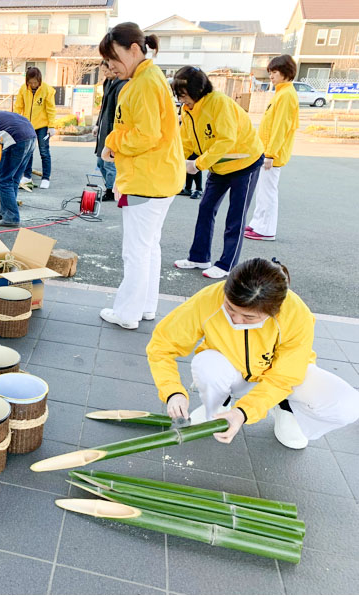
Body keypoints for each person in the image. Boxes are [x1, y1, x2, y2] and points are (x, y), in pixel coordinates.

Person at [147, 258, 359, 449]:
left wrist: (244, 412)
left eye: (249, 317)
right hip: (234, 371)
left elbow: (284, 377)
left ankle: (287, 408)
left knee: (348, 405)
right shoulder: (209, 298)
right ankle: (218, 404)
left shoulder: (296, 313)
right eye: (230, 308)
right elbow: (162, 345)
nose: (236, 320)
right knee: (206, 363)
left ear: (274, 311)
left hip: (284, 382)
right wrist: (172, 391)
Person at [97, 22, 185, 330]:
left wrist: (112, 143)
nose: (110, 67)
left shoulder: (144, 83)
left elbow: (145, 134)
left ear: (134, 50)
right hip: (160, 178)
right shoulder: (149, 77)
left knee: (135, 251)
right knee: (148, 247)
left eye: (113, 59)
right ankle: (145, 306)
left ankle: (128, 312)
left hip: (146, 180)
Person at [172, 66, 264, 279]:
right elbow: (186, 141)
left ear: (197, 90)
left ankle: (227, 264)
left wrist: (198, 164)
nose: (181, 99)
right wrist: (176, 161)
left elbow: (226, 140)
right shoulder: (188, 110)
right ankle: (199, 257)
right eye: (179, 95)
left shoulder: (219, 103)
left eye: (183, 94)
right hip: (219, 164)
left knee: (235, 216)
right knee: (206, 207)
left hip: (245, 161)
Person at [245, 55, 299, 241]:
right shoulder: (281, 93)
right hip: (267, 152)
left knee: (267, 191)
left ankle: (266, 229)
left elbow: (280, 128)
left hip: (271, 155)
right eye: (270, 73)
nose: (271, 76)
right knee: (263, 190)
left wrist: (270, 154)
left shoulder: (286, 95)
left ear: (285, 73)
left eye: (274, 72)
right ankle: (258, 223)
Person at [0, 111, 37, 227]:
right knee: (13, 179)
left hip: (17, 139)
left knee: (4, 180)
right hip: (31, 137)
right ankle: (4, 212)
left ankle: (11, 217)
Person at [14, 67, 56, 189]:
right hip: (27, 125)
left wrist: (51, 126)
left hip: (42, 126)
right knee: (28, 151)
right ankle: (27, 176)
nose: (33, 85)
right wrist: (16, 122)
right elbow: (18, 107)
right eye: (30, 82)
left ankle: (46, 178)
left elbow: (51, 109)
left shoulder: (47, 90)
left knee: (44, 152)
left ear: (39, 80)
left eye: (35, 82)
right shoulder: (23, 89)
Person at [94, 60, 128, 202]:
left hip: (114, 130)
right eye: (103, 71)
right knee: (101, 163)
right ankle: (110, 187)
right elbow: (103, 106)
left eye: (106, 71)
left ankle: (110, 190)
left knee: (109, 163)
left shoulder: (123, 85)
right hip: (104, 128)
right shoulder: (108, 83)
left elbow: (121, 113)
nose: (105, 74)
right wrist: (97, 124)